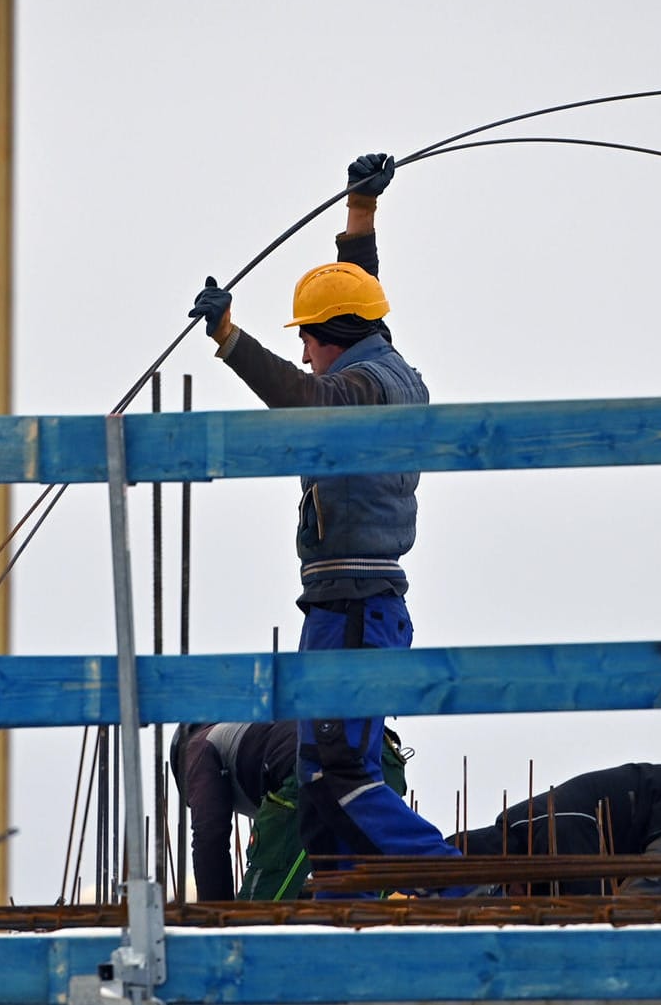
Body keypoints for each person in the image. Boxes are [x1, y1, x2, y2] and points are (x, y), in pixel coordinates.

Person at [187, 153, 466, 897]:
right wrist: (360, 213)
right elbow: (360, 293)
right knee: (320, 785)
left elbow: (304, 396)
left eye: (309, 336)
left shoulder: (362, 388)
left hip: (353, 607)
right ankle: (343, 909)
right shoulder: (386, 361)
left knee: (342, 781)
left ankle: (467, 889)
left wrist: (230, 338)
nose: (304, 348)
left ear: (335, 337)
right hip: (345, 608)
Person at [170, 720, 412, 901]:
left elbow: (209, 835)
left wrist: (217, 927)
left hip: (315, 767)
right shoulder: (259, 730)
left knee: (255, 920)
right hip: (382, 756)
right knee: (353, 905)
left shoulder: (197, 745)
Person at [445, 763, 661, 895]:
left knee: (632, 915)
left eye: (509, 892)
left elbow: (589, 907)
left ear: (507, 871)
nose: (515, 901)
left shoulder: (555, 827)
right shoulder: (536, 831)